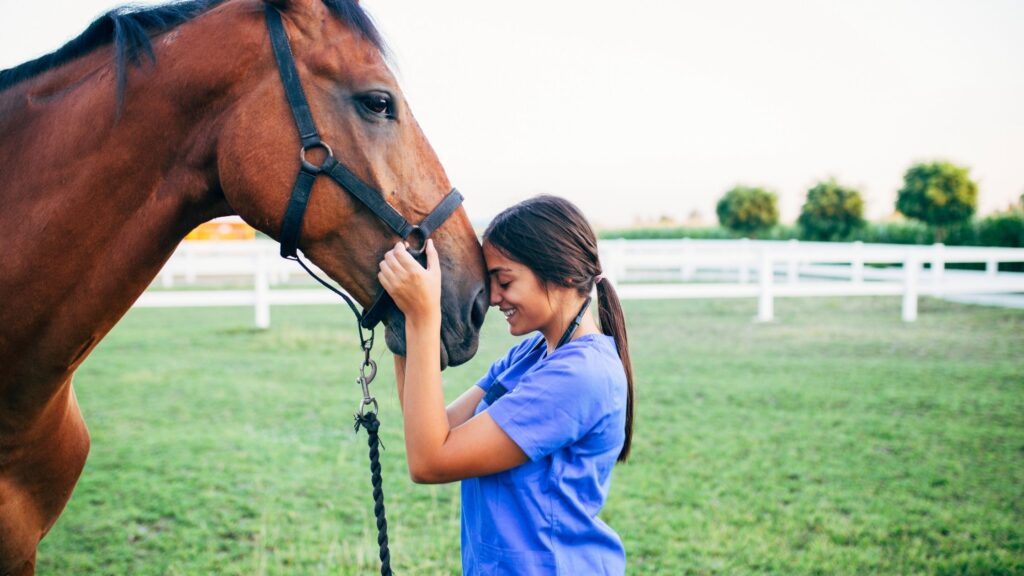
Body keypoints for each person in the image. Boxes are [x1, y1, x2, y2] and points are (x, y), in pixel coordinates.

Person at [378, 195, 635, 575]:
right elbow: (434, 430)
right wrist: (402, 317)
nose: (495, 297)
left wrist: (424, 315)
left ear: (562, 274)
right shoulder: (531, 354)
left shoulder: (581, 375)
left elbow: (430, 462)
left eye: (504, 280)